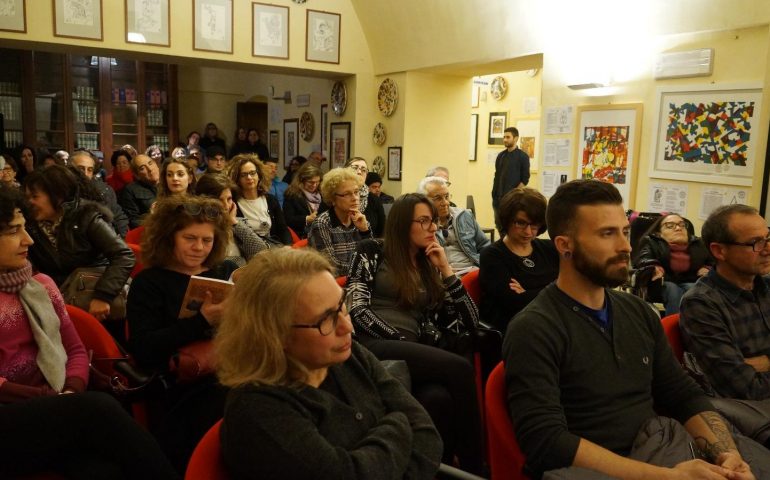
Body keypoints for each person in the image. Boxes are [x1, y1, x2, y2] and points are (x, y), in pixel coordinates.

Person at [503, 179, 763, 479]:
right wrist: (667, 476)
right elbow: (546, 442)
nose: (626, 246)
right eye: (607, 234)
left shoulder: (637, 311)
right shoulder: (534, 328)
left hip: (661, 449)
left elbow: (682, 395)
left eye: (625, 231)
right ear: (565, 246)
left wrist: (726, 454)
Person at [0, 183, 179, 480]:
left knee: (101, 469)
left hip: (57, 407)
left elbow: (75, 350)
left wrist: (70, 392)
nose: (28, 239)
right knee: (97, 409)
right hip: (13, 414)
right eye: (13, 231)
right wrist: (52, 399)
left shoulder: (40, 285)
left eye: (24, 228)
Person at [216, 247, 443, 479]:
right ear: (275, 335)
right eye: (325, 320)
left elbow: (426, 433)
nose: (346, 327)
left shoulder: (347, 354)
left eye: (341, 306)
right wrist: (397, 423)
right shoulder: (259, 412)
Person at [346, 193, 484, 473]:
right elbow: (356, 310)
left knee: (438, 400)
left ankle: (437, 470)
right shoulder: (370, 250)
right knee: (459, 369)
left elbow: (470, 321)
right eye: (423, 221)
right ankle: (474, 468)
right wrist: (400, 341)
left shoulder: (428, 263)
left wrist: (446, 269)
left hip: (413, 348)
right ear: (401, 224)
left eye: (433, 221)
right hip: (373, 343)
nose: (433, 228)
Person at [127, 195, 236, 472]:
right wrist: (201, 320)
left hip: (230, 367)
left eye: (207, 240)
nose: (199, 248)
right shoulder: (149, 283)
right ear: (169, 238)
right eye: (190, 238)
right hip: (179, 383)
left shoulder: (224, 272)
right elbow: (144, 348)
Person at [25, 165, 134, 320]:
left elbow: (123, 255)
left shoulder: (86, 216)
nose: (30, 203)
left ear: (58, 196)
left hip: (93, 294)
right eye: (27, 197)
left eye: (35, 197)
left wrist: (103, 296)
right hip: (58, 300)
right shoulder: (30, 225)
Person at [479, 188, 558, 330]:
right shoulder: (492, 256)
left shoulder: (550, 249)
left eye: (534, 225)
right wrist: (555, 290)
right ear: (507, 221)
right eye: (521, 223)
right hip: (515, 329)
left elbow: (573, 288)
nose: (528, 231)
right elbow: (513, 303)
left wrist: (527, 293)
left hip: (551, 323)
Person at [636, 214, 711, 315]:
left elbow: (713, 261)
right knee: (672, 289)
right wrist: (654, 266)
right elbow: (644, 258)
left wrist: (707, 268)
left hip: (690, 280)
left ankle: (693, 325)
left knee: (694, 290)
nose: (678, 228)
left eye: (682, 225)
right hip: (660, 282)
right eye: (670, 225)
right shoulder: (651, 241)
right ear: (659, 232)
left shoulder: (698, 243)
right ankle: (672, 326)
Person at [419, 176, 489, 276]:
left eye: (447, 196)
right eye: (438, 198)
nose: (445, 203)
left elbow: (485, 246)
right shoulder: (422, 225)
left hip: (473, 270)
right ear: (424, 201)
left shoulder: (465, 216)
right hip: (443, 276)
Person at [308, 167, 373, 275]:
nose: (355, 198)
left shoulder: (360, 219)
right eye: (347, 194)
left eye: (356, 192)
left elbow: (372, 257)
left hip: (359, 281)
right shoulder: (322, 223)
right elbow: (330, 265)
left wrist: (365, 231)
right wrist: (363, 269)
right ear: (333, 199)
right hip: (333, 285)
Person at [196, 173, 269, 267]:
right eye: (219, 200)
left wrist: (234, 223)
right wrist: (238, 262)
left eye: (229, 199)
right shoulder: (197, 226)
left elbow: (261, 250)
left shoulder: (238, 223)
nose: (226, 206)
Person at [229, 154, 292, 246]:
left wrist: (288, 246)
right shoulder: (233, 203)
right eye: (243, 175)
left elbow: (282, 229)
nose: (249, 178)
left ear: (259, 175)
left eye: (252, 173)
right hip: (247, 251)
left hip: (273, 247)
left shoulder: (270, 200)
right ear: (237, 179)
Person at [318, 157, 386, 237]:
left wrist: (365, 231)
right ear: (345, 171)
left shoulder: (375, 200)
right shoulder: (333, 196)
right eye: (355, 168)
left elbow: (382, 231)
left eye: (364, 170)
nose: (359, 172)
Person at [71, 149, 130, 238]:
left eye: (90, 170)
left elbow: (119, 217)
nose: (86, 174)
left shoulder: (105, 190)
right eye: (81, 169)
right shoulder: (63, 192)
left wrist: (121, 238)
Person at [492, 127, 530, 234]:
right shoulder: (501, 156)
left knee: (511, 227)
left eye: (508, 137)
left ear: (516, 138)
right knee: (500, 226)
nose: (505, 140)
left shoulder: (523, 156)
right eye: (504, 137)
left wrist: (514, 196)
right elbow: (497, 175)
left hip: (512, 201)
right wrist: (494, 194)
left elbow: (525, 179)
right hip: (497, 199)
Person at [283, 163, 323, 239]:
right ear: (302, 180)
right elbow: (288, 219)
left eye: (317, 182)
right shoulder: (292, 194)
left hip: (321, 234)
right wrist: (307, 219)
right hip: (302, 236)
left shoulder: (323, 194)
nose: (314, 185)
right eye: (311, 182)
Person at [119, 154, 160, 229]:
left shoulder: (170, 182)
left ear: (156, 164)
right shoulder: (130, 190)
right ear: (137, 175)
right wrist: (152, 217)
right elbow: (133, 221)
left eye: (150, 163)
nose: (150, 169)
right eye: (142, 168)